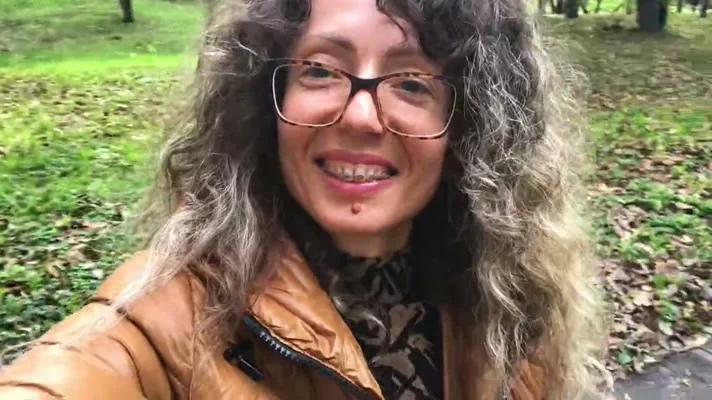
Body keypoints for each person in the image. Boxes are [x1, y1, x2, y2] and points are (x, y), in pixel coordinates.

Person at [0, 0, 607, 398]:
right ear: (266, 101)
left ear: (469, 126)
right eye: (320, 69)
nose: (361, 115)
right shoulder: (171, 316)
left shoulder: (506, 300)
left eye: (411, 82)